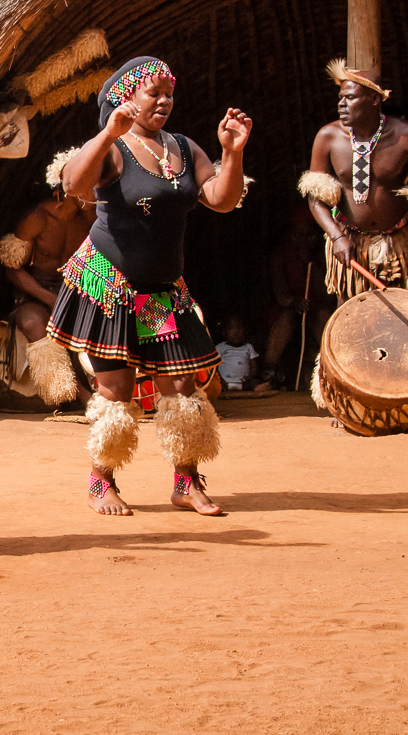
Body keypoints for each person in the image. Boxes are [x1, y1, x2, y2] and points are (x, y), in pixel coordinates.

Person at [47, 57, 252, 517]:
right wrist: (107, 134)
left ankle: (186, 482)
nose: (163, 101)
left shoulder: (183, 146)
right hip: (109, 285)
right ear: (127, 98)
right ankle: (101, 482)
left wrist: (233, 153)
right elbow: (73, 184)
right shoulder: (113, 149)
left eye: (169, 93)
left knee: (181, 386)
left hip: (161, 290)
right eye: (152, 93)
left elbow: (222, 199)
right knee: (117, 390)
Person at [298, 59, 408, 300]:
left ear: (375, 99)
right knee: (354, 323)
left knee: (403, 322)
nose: (341, 104)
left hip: (400, 245)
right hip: (350, 245)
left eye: (350, 98)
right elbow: (315, 198)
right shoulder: (328, 137)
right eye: (340, 98)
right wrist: (337, 236)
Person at [0, 150, 97, 406]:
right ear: (65, 186)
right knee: (32, 322)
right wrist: (50, 298)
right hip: (36, 294)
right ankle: (79, 395)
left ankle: (107, 388)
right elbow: (12, 269)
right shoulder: (37, 218)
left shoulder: (92, 220)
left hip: (77, 290)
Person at [262, 206, 333, 389]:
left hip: (316, 306)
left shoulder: (325, 254)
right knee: (286, 318)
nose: (302, 240)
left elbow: (327, 293)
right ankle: (268, 372)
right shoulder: (280, 255)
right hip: (290, 307)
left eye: (308, 235)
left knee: (323, 316)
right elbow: (280, 294)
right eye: (297, 235)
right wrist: (294, 302)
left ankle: (333, 366)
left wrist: (311, 263)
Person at [214, 316, 262, 391]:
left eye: (239, 328)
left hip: (244, 383)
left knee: (255, 382)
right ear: (224, 332)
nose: (235, 332)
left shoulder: (248, 347)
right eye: (231, 329)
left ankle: (258, 388)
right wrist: (220, 379)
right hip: (224, 383)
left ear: (245, 331)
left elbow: (254, 366)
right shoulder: (220, 347)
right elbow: (214, 367)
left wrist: (250, 377)